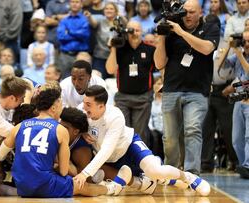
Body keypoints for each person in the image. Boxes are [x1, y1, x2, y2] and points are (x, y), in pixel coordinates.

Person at [74, 85, 211, 197]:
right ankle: (148, 183)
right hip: (113, 160)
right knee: (99, 176)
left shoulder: (115, 116)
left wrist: (84, 173)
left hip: (130, 147)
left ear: (101, 106)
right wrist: (82, 131)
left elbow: (106, 150)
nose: (84, 107)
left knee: (155, 171)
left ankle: (189, 177)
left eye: (88, 104)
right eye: (84, 103)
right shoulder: (82, 111)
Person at [0, 87, 132, 197]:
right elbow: (63, 171)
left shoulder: (19, 126)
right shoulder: (60, 130)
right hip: (44, 184)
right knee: (80, 186)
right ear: (53, 108)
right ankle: (110, 189)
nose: (62, 107)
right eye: (60, 104)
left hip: (22, 185)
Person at [154, 0, 220, 175]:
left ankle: (191, 173)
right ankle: (171, 171)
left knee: (192, 130)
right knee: (169, 138)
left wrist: (181, 32)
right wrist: (161, 38)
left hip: (197, 91)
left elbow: (206, 49)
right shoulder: (171, 32)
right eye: (185, 12)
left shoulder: (210, 28)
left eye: (192, 12)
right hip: (171, 89)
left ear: (200, 14)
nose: (187, 15)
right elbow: (159, 63)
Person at [106, 21, 155, 143]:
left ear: (142, 31)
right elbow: (110, 69)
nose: (134, 33)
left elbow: (160, 66)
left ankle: (140, 161)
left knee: (140, 134)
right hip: (123, 98)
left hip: (143, 98)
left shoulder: (150, 49)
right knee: (123, 134)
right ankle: (125, 161)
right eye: (131, 30)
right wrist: (113, 48)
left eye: (137, 30)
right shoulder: (120, 49)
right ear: (126, 32)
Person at [217, 30, 249, 178]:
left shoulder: (240, 55)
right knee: (236, 139)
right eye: (245, 41)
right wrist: (229, 47)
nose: (246, 44)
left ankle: (247, 166)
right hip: (239, 98)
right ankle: (244, 166)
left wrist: (239, 53)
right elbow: (221, 65)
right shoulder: (237, 54)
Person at [57, 0, 91, 78]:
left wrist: (69, 31)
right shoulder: (64, 20)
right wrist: (77, 34)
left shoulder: (85, 19)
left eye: (77, 2)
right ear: (69, 4)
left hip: (81, 55)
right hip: (65, 55)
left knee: (83, 81)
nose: (74, 4)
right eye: (72, 2)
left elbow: (85, 34)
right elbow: (61, 36)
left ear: (81, 4)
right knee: (64, 80)